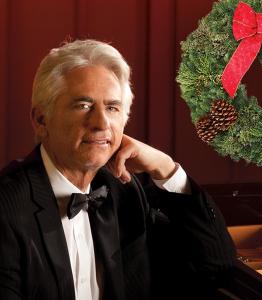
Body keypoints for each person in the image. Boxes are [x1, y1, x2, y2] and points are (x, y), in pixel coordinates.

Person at [0, 39, 235, 300]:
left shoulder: (124, 189)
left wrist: (164, 167)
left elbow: (215, 266)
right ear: (41, 120)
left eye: (112, 107)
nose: (101, 123)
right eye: (83, 106)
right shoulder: (6, 207)